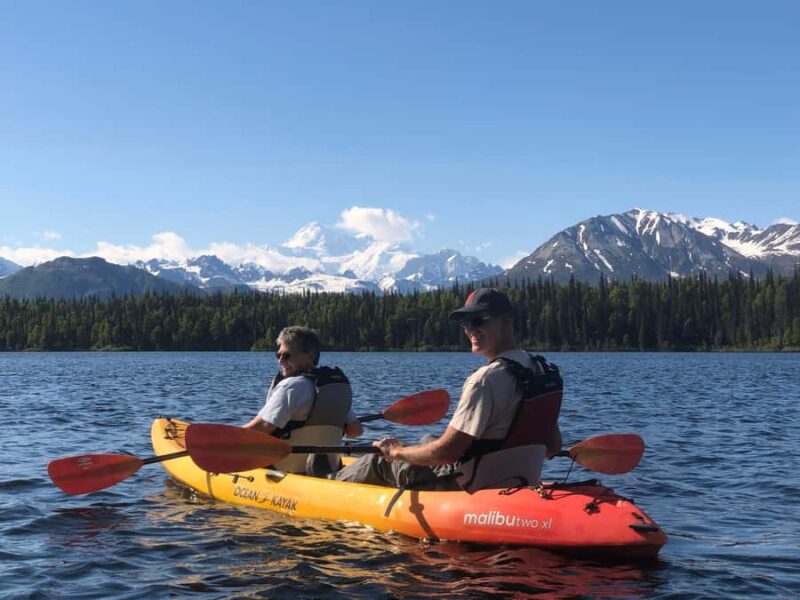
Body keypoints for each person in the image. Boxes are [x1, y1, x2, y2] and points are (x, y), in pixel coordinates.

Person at [334, 287, 563, 492]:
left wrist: (396, 452)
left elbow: (447, 453)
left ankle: (329, 485)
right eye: (466, 324)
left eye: (479, 320)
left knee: (380, 460)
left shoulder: (484, 380)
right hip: (518, 482)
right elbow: (553, 446)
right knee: (427, 439)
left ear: (505, 322)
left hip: (465, 489)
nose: (470, 330)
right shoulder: (542, 371)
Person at [244, 326, 363, 474]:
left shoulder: (291, 387)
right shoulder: (331, 389)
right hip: (327, 470)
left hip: (281, 469)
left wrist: (223, 440)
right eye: (278, 355)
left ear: (310, 355)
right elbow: (355, 430)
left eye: (287, 355)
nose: (280, 361)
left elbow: (259, 429)